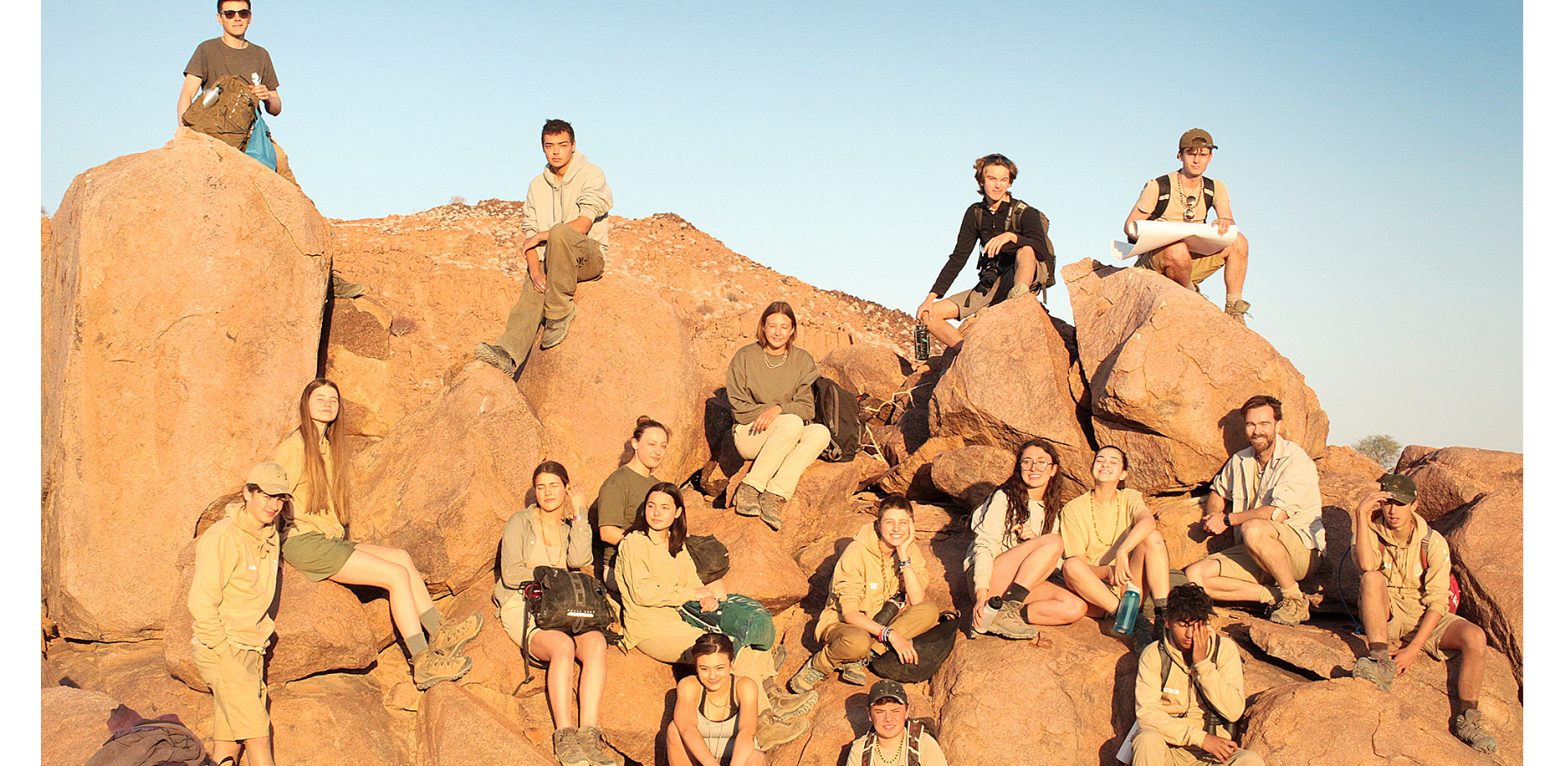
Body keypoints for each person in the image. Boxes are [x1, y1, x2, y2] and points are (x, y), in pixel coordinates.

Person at [270, 378, 481, 690]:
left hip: (327, 540)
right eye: (320, 398)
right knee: (394, 575)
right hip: (304, 543)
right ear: (305, 404)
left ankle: (439, 633)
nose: (328, 404)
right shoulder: (293, 448)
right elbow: (271, 494)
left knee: (401, 558)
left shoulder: (326, 446)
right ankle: (422, 661)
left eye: (333, 399)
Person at [614, 483, 817, 750]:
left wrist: (706, 596)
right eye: (651, 506)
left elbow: (692, 580)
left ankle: (770, 694)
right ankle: (762, 726)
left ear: (677, 513)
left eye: (664, 507)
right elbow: (643, 593)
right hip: (651, 628)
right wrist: (693, 593)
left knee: (748, 635)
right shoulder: (635, 543)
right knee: (728, 648)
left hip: (684, 619)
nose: (656, 513)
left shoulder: (675, 544)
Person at [1349, 475, 1497, 753]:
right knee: (1371, 579)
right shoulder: (1369, 529)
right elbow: (1367, 565)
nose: (1393, 511)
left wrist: (1414, 649)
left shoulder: (1432, 542)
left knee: (1475, 637)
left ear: (1414, 505)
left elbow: (1438, 601)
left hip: (1423, 613)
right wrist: (1360, 513)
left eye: (1400, 504)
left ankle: (1468, 720)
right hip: (1387, 610)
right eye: (1388, 502)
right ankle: (1380, 662)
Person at [495, 461, 615, 766]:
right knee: (562, 647)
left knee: (597, 645)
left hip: (563, 607)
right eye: (540, 486)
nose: (547, 492)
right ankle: (564, 735)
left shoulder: (567, 525)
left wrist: (580, 513)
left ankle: (589, 733)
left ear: (565, 488)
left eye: (554, 485)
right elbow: (510, 574)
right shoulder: (519, 522)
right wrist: (552, 578)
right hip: (524, 603)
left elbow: (580, 558)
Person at [475, 118, 613, 375]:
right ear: (543, 148)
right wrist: (535, 272)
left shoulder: (591, 174)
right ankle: (508, 354)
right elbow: (529, 236)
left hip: (587, 257)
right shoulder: (536, 185)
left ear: (573, 146)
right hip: (552, 259)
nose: (556, 151)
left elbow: (583, 224)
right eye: (550, 146)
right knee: (536, 280)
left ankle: (560, 313)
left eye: (562, 145)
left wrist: (542, 236)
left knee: (560, 232)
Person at [1184, 395, 1325, 627]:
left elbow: (1277, 514)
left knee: (1253, 528)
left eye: (1264, 424)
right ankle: (1275, 596)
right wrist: (1213, 515)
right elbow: (1218, 491)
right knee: (1196, 576)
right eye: (1251, 424)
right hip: (1254, 551)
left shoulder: (1295, 460)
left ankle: (1293, 599)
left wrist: (1227, 519)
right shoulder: (1241, 459)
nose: (1257, 431)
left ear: (1279, 426)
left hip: (1299, 552)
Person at [186, 462, 291, 766]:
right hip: (225, 650)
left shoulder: (270, 534)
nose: (273, 505)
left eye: (280, 498)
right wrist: (223, 652)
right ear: (248, 493)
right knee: (258, 738)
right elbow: (201, 602)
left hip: (253, 651)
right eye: (266, 496)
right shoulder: (222, 537)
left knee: (227, 745)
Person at [789, 495, 943, 693]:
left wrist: (903, 555)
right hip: (847, 625)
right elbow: (850, 614)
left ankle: (865, 655)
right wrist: (891, 635)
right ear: (879, 525)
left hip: (884, 622)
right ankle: (820, 665)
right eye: (889, 522)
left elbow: (917, 600)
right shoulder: (857, 551)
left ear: (911, 525)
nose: (896, 529)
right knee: (857, 641)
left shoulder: (909, 551)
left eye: (903, 522)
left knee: (929, 610)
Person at [915, 153, 1055, 350]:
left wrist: (1012, 237)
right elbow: (958, 258)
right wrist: (930, 298)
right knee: (929, 316)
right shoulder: (975, 213)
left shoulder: (1025, 212)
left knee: (1026, 249)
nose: (998, 185)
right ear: (981, 180)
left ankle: (1018, 305)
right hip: (992, 282)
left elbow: (1042, 250)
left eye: (1003, 180)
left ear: (1010, 182)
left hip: (1024, 275)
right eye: (992, 179)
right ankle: (969, 353)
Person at [1122, 583, 1265, 766]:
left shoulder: (1224, 649)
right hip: (1169, 749)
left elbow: (1234, 711)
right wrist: (1200, 738)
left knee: (1250, 761)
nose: (1190, 634)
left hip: (1212, 754)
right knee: (1146, 739)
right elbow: (1147, 715)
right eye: (1183, 625)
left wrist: (1203, 665)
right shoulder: (1153, 655)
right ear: (1167, 621)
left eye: (1197, 625)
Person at [1122, 128, 1251, 324]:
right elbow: (1129, 226)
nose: (1197, 160)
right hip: (1158, 260)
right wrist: (1153, 232)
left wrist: (1225, 222)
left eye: (1203, 155)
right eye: (1191, 154)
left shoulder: (1215, 187)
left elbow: (1228, 219)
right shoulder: (1159, 186)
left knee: (1239, 241)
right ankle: (1192, 298)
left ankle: (1234, 309)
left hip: (1190, 261)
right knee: (1177, 248)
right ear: (1180, 155)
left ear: (1210, 157)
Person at [966, 439, 1088, 640]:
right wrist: (981, 594)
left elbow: (1052, 563)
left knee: (1075, 607)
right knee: (1054, 542)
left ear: (1053, 470)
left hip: (1015, 587)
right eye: (1027, 462)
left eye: (1042, 462)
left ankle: (996, 616)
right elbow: (984, 546)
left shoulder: (1052, 511)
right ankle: (1003, 609)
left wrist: (1035, 543)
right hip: (988, 580)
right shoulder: (1004, 497)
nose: (1034, 468)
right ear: (1019, 466)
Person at [725, 301, 831, 531]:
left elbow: (807, 408)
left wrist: (778, 409)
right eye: (772, 325)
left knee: (820, 433)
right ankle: (749, 489)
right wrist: (769, 413)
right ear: (763, 326)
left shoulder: (802, 360)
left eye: (784, 326)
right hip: (749, 433)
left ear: (792, 329)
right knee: (792, 422)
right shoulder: (745, 357)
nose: (778, 332)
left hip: (784, 430)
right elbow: (738, 406)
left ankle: (773, 494)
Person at [1060, 446, 1171, 640]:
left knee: (1152, 537)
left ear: (1122, 474)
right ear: (1092, 467)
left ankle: (1164, 616)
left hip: (1129, 586)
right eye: (1100, 460)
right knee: (1071, 565)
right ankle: (1135, 622)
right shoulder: (1073, 509)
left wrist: (1122, 552)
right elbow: (1078, 565)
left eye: (1113, 462)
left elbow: (1148, 521)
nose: (1105, 465)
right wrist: (1106, 572)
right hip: (1096, 592)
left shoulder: (1130, 497)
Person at [666, 633, 768, 766]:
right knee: (674, 729)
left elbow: (747, 732)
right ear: (696, 667)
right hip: (701, 760)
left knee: (756, 757)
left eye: (719, 668)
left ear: (731, 664)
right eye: (704, 669)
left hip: (738, 759)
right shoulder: (689, 686)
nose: (712, 676)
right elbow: (686, 728)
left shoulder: (744, 686)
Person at [594, 416, 670, 581]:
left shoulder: (658, 485)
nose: (658, 451)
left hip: (657, 562)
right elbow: (607, 532)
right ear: (635, 443)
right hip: (622, 565)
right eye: (651, 444)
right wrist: (647, 549)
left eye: (663, 446)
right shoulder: (618, 481)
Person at [844, 680, 949, 766]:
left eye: (895, 711)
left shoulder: (924, 744)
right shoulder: (859, 750)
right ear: (869, 715)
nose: (888, 718)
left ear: (907, 712)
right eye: (880, 712)